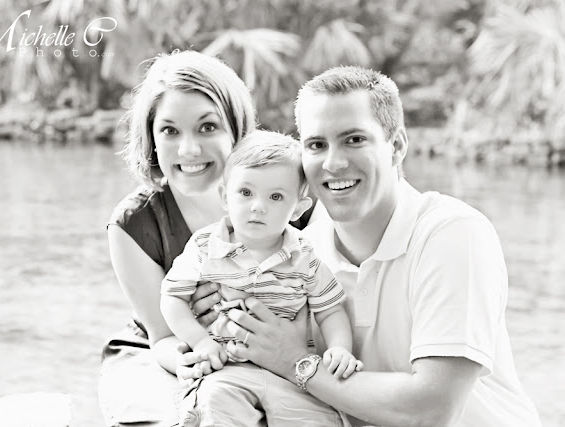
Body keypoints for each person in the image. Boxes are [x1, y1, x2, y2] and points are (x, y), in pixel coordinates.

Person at [219, 66, 542, 426]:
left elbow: (431, 410)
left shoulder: (453, 235)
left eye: (354, 139)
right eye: (316, 145)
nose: (333, 163)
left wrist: (297, 363)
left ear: (397, 146)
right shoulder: (301, 252)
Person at [98, 50, 257, 426]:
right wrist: (189, 359)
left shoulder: (281, 196)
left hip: (253, 346)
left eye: (207, 127)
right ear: (152, 139)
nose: (188, 149)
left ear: (237, 129)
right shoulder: (134, 224)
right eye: (170, 131)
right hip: (161, 352)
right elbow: (162, 337)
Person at [161, 131, 361, 426]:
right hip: (225, 369)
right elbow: (172, 299)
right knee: (212, 407)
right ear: (224, 196)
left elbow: (331, 310)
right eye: (245, 193)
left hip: (290, 374)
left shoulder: (304, 255)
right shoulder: (205, 247)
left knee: (321, 417)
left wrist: (340, 348)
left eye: (276, 197)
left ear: (298, 209)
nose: (258, 206)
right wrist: (200, 342)